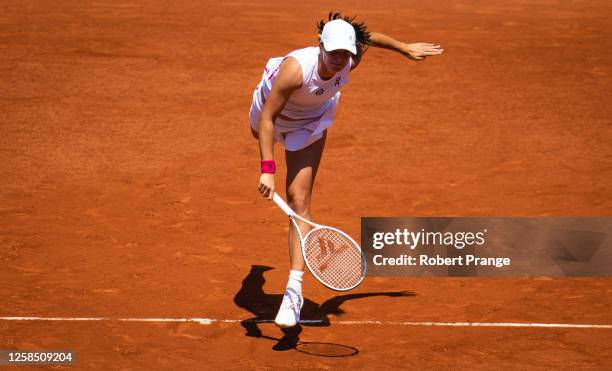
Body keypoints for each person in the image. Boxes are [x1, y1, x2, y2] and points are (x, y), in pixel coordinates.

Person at [249, 12, 443, 328]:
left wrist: (404, 47)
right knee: (264, 136)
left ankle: (293, 291)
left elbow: (371, 37)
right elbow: (269, 119)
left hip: (310, 122)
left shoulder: (350, 59)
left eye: (346, 53)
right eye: (334, 52)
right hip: (270, 116)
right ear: (320, 46)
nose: (341, 59)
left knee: (299, 202)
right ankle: (255, 275)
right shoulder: (296, 71)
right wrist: (267, 169)